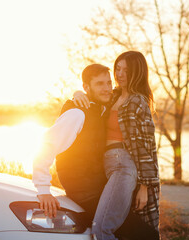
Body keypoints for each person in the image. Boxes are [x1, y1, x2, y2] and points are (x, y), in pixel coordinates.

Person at [33, 63, 159, 240]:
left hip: (100, 188)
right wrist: (43, 189)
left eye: (108, 82)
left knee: (143, 233)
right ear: (86, 87)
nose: (107, 88)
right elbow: (46, 145)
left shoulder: (101, 108)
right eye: (100, 84)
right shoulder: (77, 113)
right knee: (143, 236)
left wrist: (78, 93)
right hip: (86, 193)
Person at [73, 51, 160, 239]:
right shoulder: (112, 96)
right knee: (113, 228)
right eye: (118, 69)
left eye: (126, 71)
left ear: (137, 72)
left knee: (102, 230)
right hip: (105, 168)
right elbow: (92, 94)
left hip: (123, 165)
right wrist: (78, 93)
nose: (120, 74)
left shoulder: (138, 102)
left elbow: (148, 147)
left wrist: (144, 187)